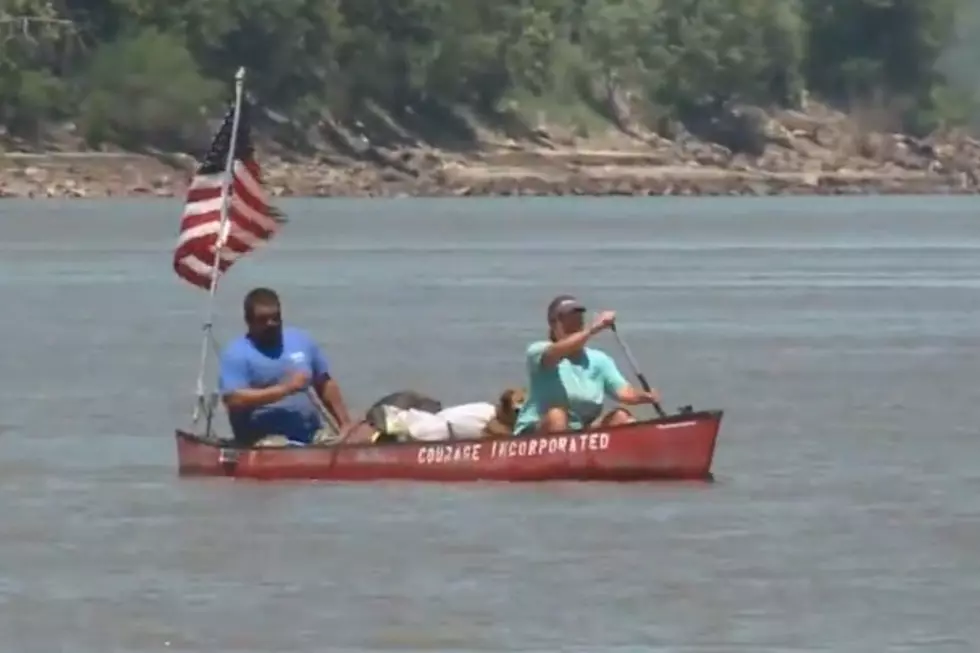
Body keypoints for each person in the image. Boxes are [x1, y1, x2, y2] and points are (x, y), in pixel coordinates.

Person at [218, 287, 354, 446]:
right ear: (249, 321)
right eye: (263, 320)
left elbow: (324, 383)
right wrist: (287, 388)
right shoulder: (236, 353)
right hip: (263, 440)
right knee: (277, 445)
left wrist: (345, 424)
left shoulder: (301, 340)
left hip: (311, 434)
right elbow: (234, 399)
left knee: (356, 438)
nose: (271, 324)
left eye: (276, 318)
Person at [512, 294, 662, 436]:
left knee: (621, 416)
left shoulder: (599, 360)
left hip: (581, 433)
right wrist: (593, 329)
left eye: (578, 321)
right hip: (536, 432)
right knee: (557, 416)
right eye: (568, 322)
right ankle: (558, 461)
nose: (575, 325)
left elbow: (625, 392)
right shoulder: (538, 351)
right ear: (553, 324)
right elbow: (555, 353)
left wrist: (644, 396)